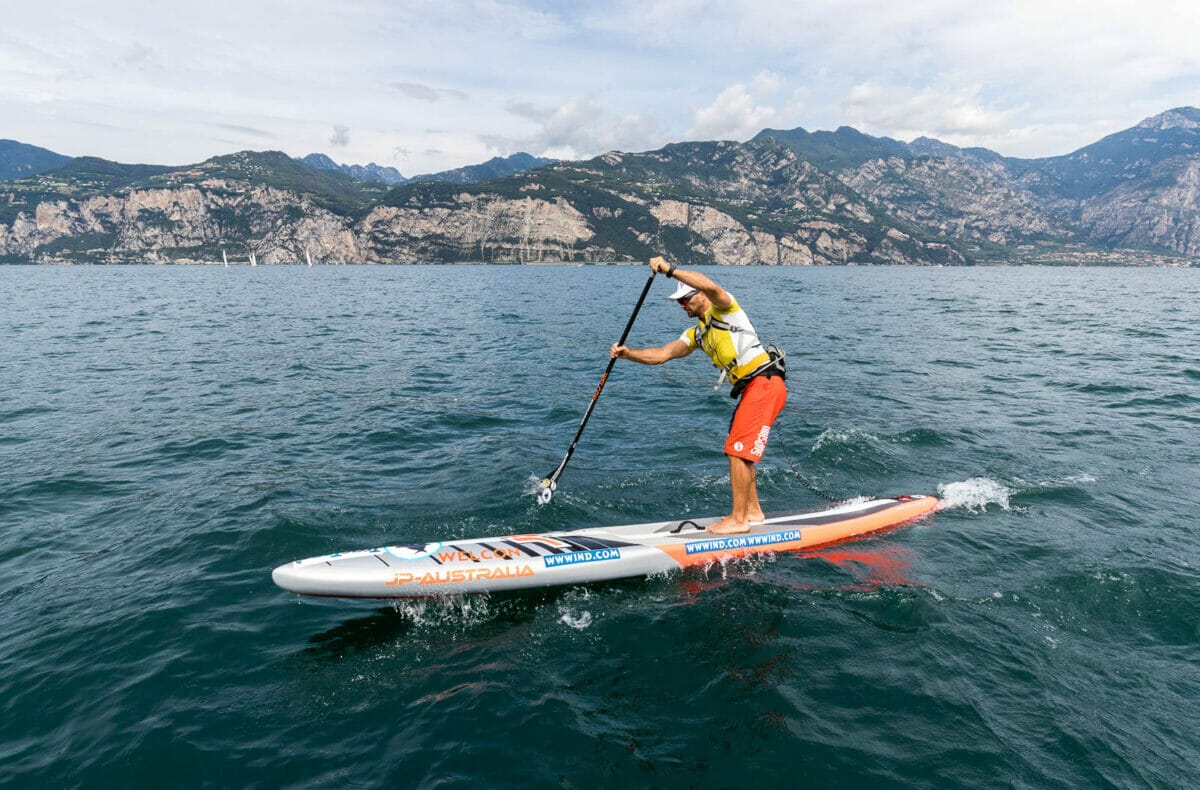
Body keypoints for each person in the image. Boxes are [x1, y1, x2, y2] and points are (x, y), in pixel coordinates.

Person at [610, 256, 787, 534]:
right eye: (679, 303)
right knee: (740, 451)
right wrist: (628, 354)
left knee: (736, 450)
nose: (681, 306)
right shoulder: (698, 333)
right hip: (751, 389)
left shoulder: (726, 310)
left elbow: (711, 285)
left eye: (684, 300)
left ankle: (739, 521)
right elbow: (662, 354)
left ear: (700, 295)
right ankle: (752, 511)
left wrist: (670, 270)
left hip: (765, 383)